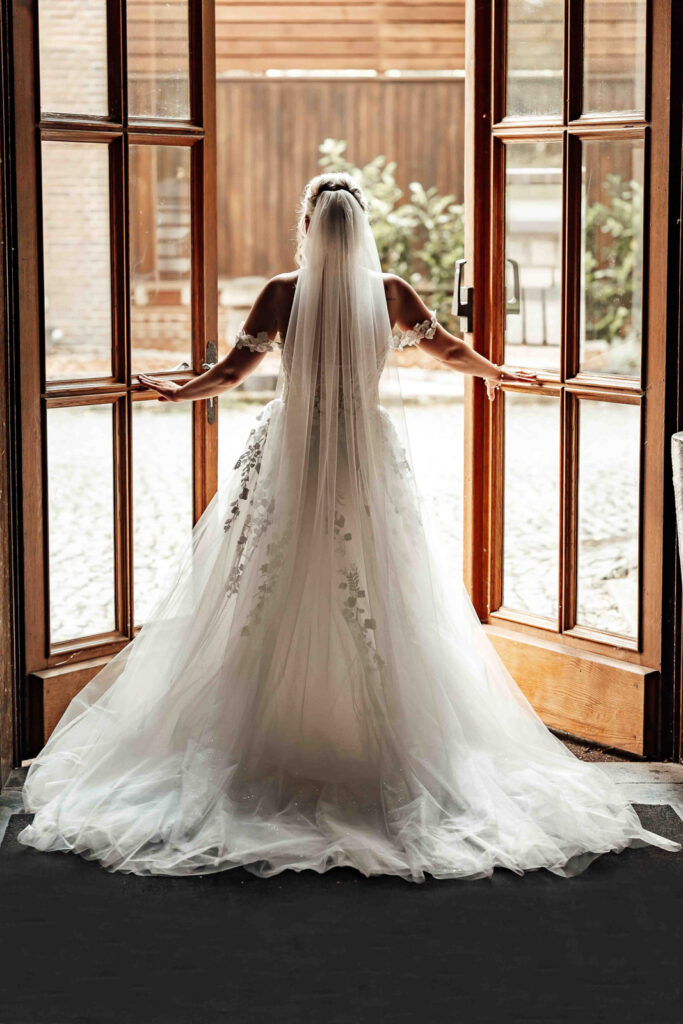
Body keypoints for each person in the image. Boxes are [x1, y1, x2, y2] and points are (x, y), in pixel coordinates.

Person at [18, 173, 679, 880]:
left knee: (270, 584)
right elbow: (449, 351)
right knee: (377, 583)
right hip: (362, 456)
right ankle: (375, 744)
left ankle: (269, 738)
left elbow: (232, 374)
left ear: (307, 225)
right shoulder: (389, 293)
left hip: (292, 455)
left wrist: (180, 390)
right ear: (363, 227)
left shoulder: (282, 293)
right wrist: (499, 373)